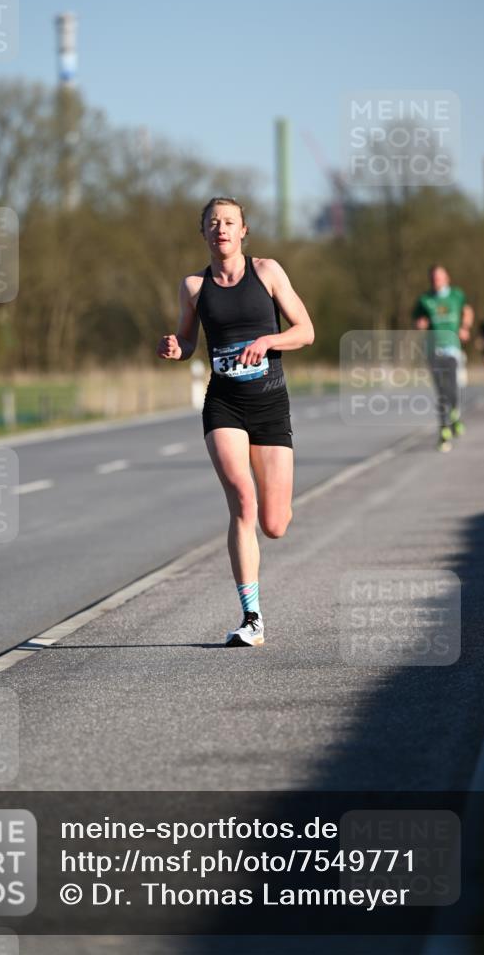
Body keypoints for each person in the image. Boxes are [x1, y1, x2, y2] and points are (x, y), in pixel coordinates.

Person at [156, 196, 314, 646]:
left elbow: (306, 330)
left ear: (243, 230)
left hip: (269, 403)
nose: (220, 229)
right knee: (242, 500)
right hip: (223, 405)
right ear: (203, 232)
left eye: (229, 222)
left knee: (275, 523)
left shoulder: (268, 272)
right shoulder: (193, 286)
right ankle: (252, 618)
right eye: (212, 223)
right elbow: (188, 342)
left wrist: (267, 340)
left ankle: (275, 512)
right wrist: (176, 349)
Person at [412, 265, 474, 452]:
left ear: (447, 278)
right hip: (433, 350)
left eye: (439, 277)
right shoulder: (424, 300)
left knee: (452, 389)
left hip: (452, 348)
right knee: (441, 392)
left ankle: (454, 415)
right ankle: (444, 431)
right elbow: (417, 321)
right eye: (433, 278)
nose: (436, 281)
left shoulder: (456, 295)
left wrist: (465, 327)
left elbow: (468, 311)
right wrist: (420, 324)